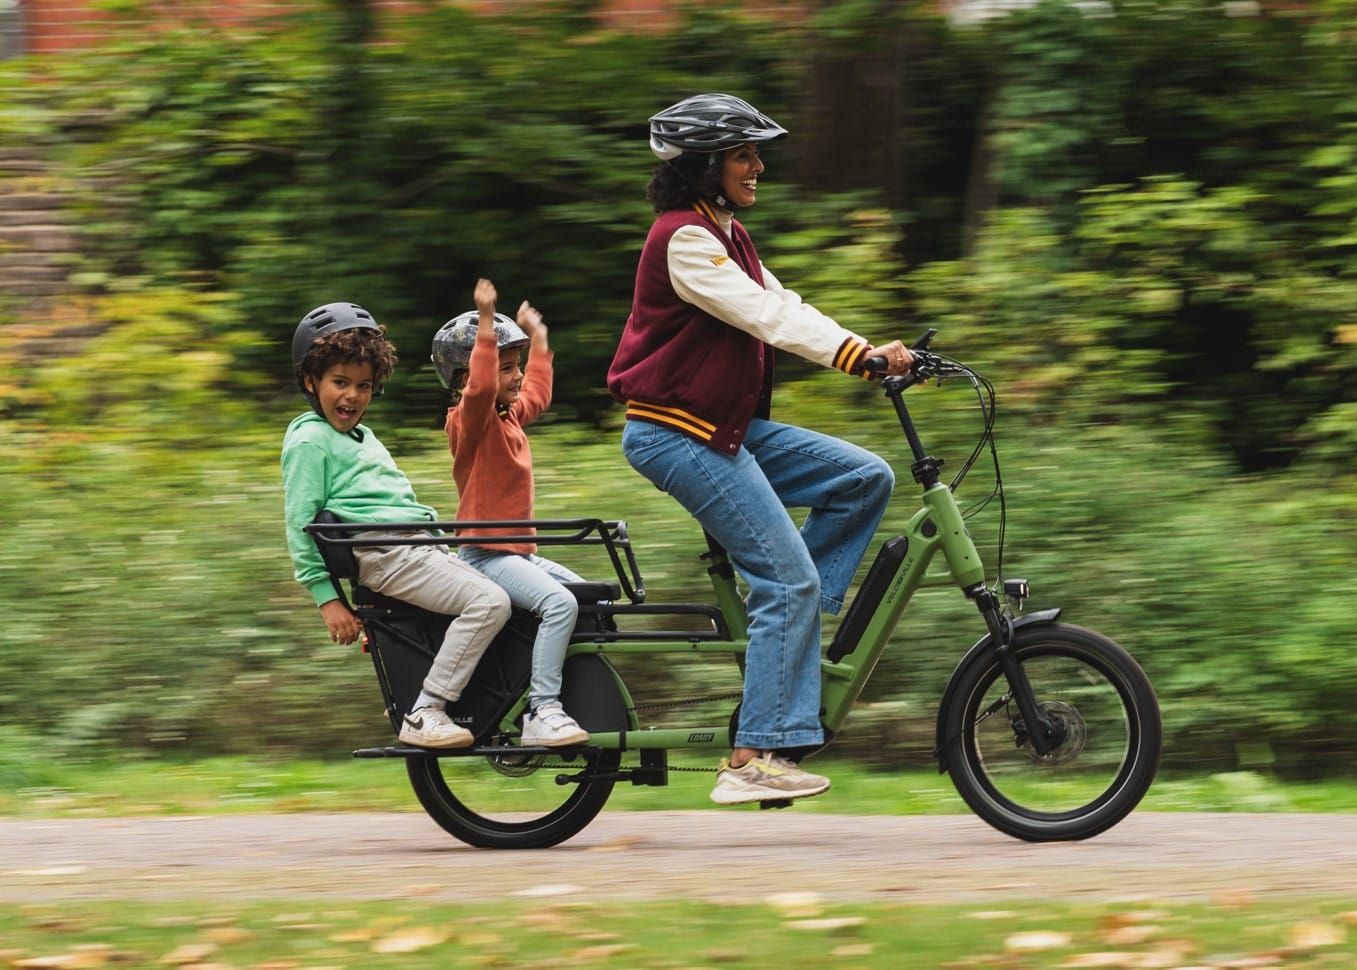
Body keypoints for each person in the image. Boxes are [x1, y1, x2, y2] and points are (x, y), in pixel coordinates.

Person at [607, 93, 916, 806]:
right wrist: (854, 359)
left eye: (754, 152)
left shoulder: (727, 234)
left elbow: (789, 303)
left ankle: (791, 625)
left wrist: (870, 349)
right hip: (674, 433)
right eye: (744, 154)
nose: (758, 165)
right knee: (787, 581)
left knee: (863, 478)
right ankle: (750, 757)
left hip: (723, 427)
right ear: (706, 164)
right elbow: (763, 316)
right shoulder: (682, 239)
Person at [282, 301, 512, 749]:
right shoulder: (310, 440)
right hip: (383, 554)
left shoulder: (361, 437)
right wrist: (327, 599)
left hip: (414, 548)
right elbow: (300, 524)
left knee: (512, 590)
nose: (352, 396)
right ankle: (427, 710)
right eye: (340, 383)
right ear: (310, 381)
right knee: (489, 602)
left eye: (364, 385)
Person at [432, 279, 590, 748]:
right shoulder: (469, 420)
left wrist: (538, 341)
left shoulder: (508, 417)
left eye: (516, 366)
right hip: (484, 554)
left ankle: (549, 689)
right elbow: (481, 389)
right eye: (506, 367)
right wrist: (485, 324)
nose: (516, 375)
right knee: (560, 603)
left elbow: (537, 394)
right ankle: (542, 710)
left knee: (587, 597)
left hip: (514, 552)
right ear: (466, 378)